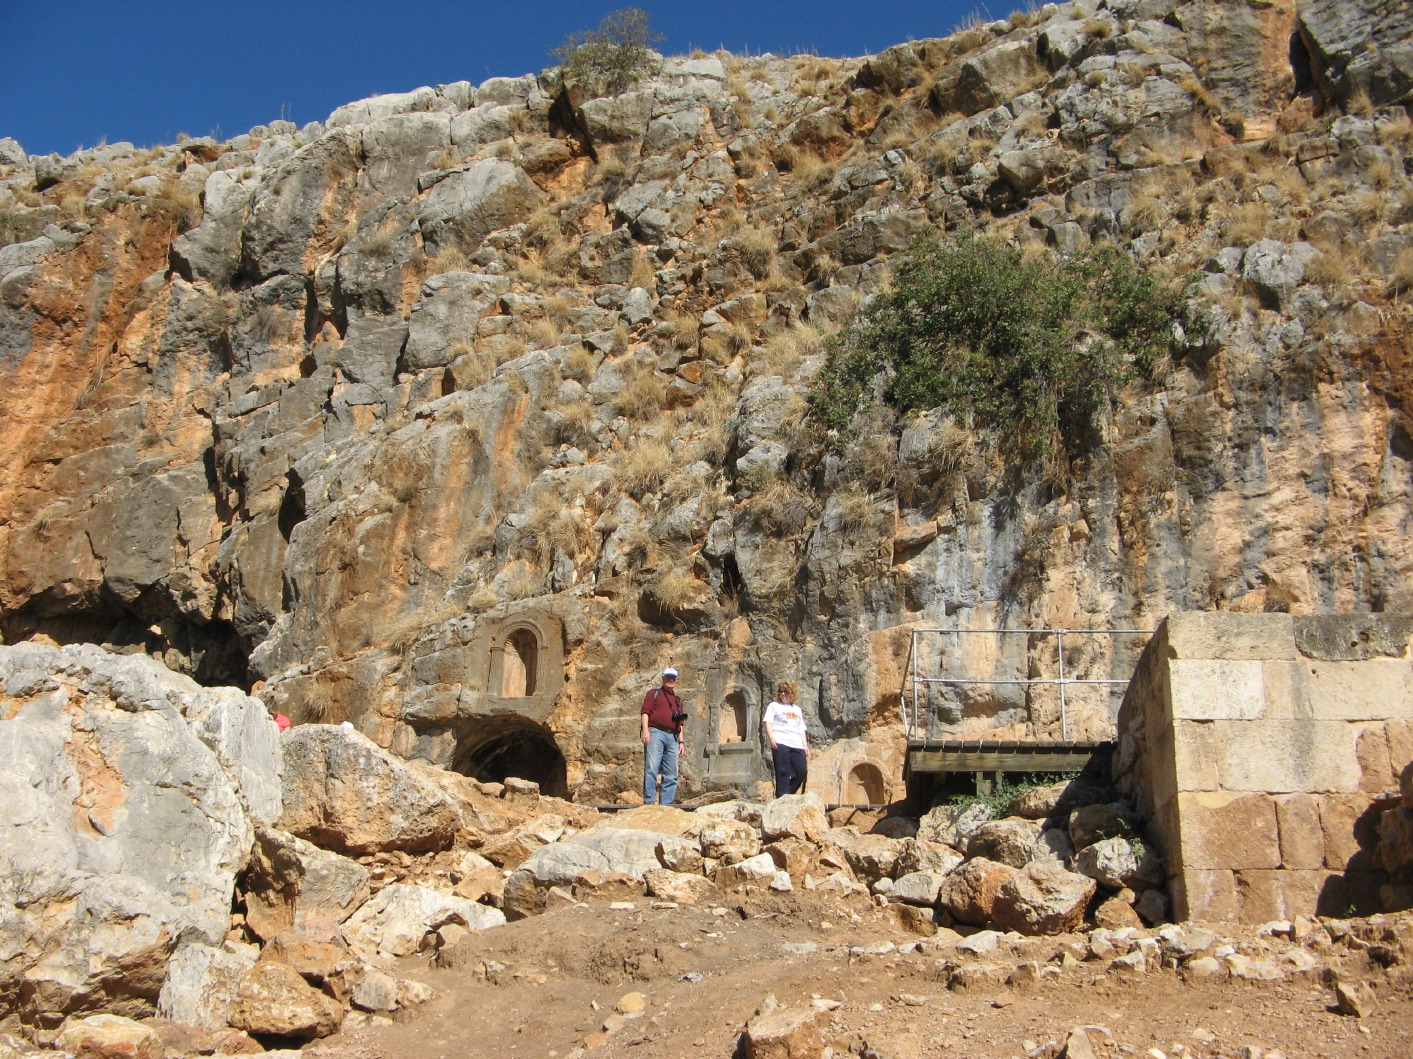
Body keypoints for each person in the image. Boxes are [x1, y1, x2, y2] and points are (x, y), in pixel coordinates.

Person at [641, 667, 685, 805]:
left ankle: (667, 804)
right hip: (656, 733)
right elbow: (645, 712)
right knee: (652, 768)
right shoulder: (653, 693)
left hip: (673, 737)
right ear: (663, 678)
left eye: (673, 678)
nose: (671, 680)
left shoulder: (678, 700)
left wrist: (681, 742)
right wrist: (645, 731)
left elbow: (680, 723)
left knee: (672, 772)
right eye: (668, 677)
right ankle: (649, 801)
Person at [763, 680, 809, 796]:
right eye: (780, 691)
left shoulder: (797, 710)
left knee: (801, 770)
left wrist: (805, 745)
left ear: (792, 693)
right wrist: (771, 737)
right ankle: (781, 795)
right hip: (780, 741)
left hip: (796, 743)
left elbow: (801, 728)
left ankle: (787, 794)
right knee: (782, 771)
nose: (782, 694)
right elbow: (768, 722)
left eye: (785, 691)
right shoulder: (774, 706)